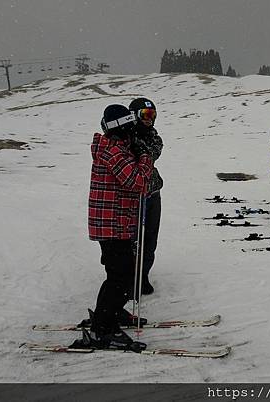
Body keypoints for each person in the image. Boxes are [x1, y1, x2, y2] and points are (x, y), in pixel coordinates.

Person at [85, 104, 154, 351]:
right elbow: (138, 182)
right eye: (129, 129)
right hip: (112, 223)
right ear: (122, 129)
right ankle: (102, 327)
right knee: (120, 276)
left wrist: (139, 152)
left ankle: (112, 311)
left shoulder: (116, 149)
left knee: (122, 272)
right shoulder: (114, 152)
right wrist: (145, 157)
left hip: (116, 222)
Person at [128, 97, 163, 295]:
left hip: (152, 192)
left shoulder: (152, 135)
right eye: (145, 115)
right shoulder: (127, 135)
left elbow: (154, 151)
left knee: (150, 237)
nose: (149, 119)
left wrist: (144, 150)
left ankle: (144, 274)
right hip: (134, 194)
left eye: (152, 115)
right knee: (134, 238)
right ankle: (131, 276)